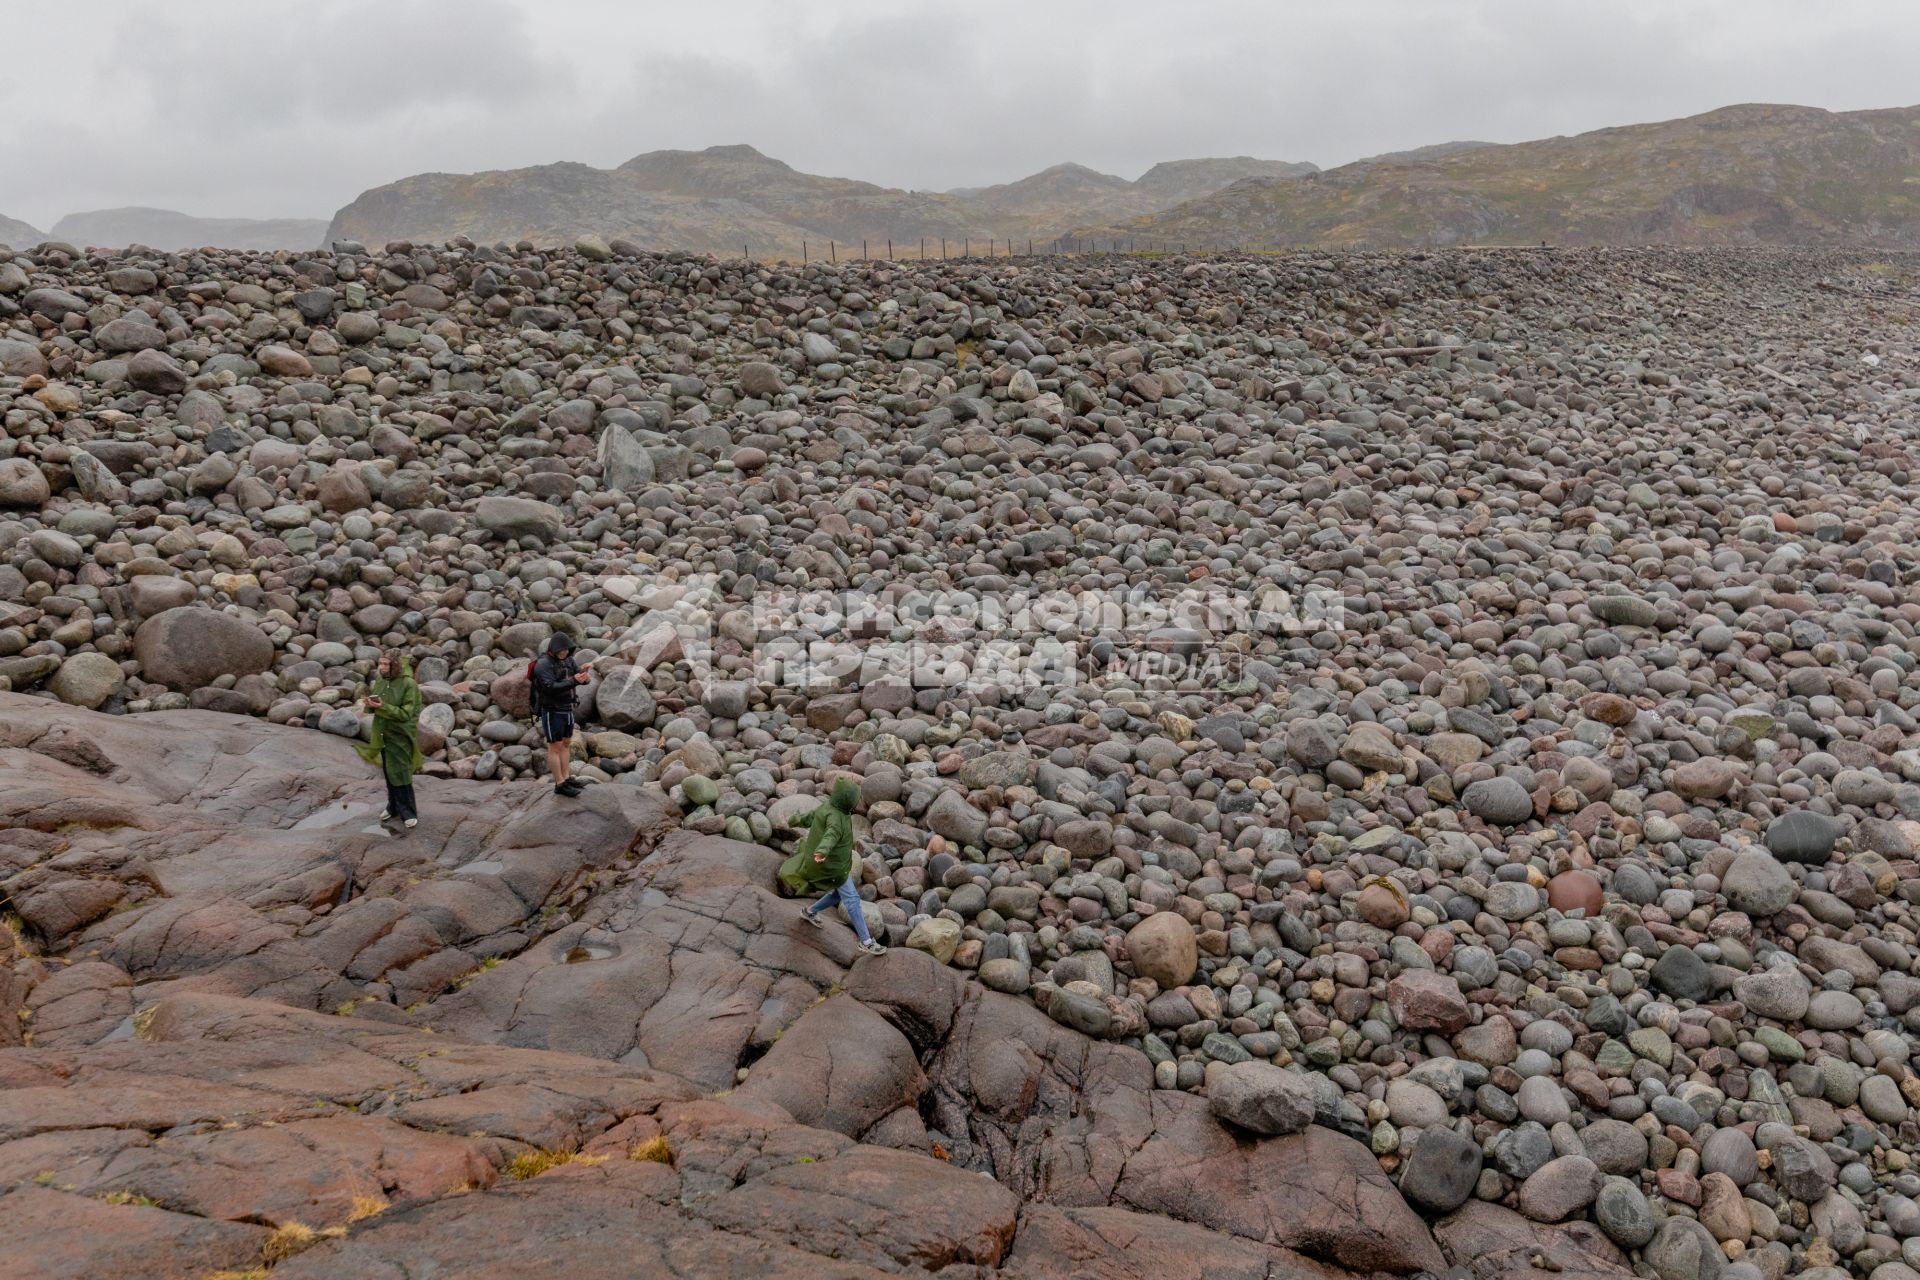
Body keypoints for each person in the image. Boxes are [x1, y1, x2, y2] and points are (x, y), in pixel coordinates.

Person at [782, 777, 887, 955]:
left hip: (832, 862)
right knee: (852, 899)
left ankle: (809, 912)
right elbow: (831, 835)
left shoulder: (827, 807)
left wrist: (795, 820)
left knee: (838, 894)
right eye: (855, 799)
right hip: (832, 866)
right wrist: (822, 851)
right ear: (846, 800)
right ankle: (866, 942)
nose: (857, 802)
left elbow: (809, 818)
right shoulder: (837, 818)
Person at [356, 651, 424, 828]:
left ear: (396, 665)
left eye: (386, 664)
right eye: (381, 663)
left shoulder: (409, 684)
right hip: (382, 732)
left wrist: (383, 707)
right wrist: (370, 705)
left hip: (399, 734)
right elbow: (378, 706)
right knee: (388, 770)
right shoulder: (381, 680)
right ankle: (392, 806)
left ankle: (408, 811)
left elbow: (406, 713)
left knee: (400, 772)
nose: (382, 667)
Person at [530, 633, 590, 797]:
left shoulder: (569, 660)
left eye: (567, 650)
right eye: (562, 650)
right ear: (554, 649)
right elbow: (550, 687)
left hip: (567, 708)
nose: (565, 653)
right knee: (554, 746)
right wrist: (575, 681)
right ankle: (559, 783)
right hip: (552, 710)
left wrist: (585, 676)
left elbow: (579, 676)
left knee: (566, 743)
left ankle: (567, 778)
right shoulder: (543, 664)